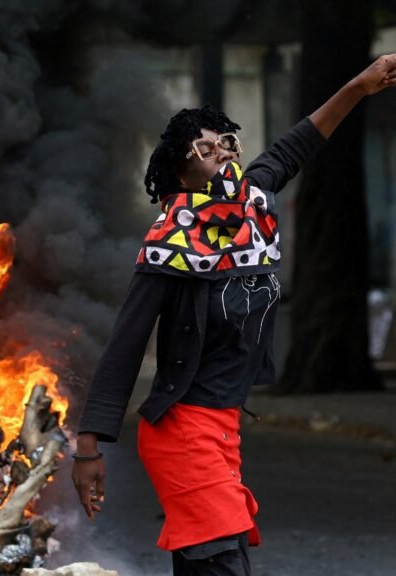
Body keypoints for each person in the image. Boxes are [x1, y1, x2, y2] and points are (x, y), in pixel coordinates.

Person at [71, 53, 396, 576]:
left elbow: (301, 142)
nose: (222, 152)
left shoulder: (254, 205)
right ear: (181, 168)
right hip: (181, 430)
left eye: (228, 143)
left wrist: (358, 86)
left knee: (209, 563)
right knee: (223, 562)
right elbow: (126, 346)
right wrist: (88, 446)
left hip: (224, 429)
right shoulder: (169, 242)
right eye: (206, 148)